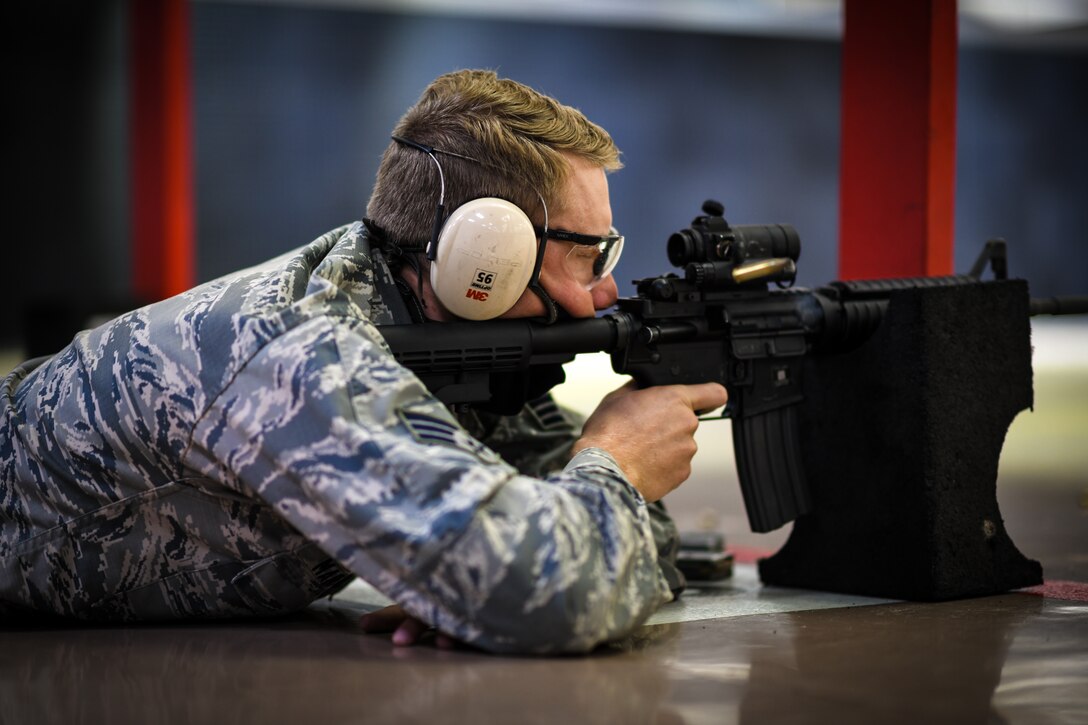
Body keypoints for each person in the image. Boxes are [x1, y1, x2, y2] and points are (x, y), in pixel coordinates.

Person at [0, 69, 727, 654]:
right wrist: (615, 461)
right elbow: (555, 593)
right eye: (585, 255)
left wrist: (478, 592)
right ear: (488, 257)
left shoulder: (452, 345)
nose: (605, 289)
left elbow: (630, 546)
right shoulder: (297, 352)